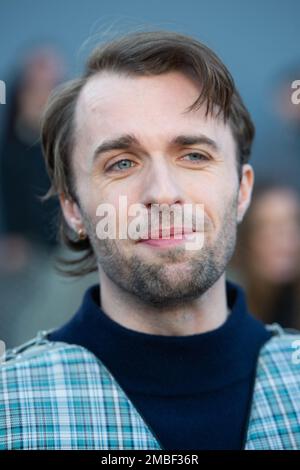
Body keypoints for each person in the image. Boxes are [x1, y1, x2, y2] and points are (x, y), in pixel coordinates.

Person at [1, 30, 300, 451]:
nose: (162, 192)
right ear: (73, 208)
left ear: (243, 190)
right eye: (121, 163)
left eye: (194, 155)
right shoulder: (10, 410)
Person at [231, 182, 300, 329]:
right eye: (267, 226)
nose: (284, 237)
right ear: (247, 240)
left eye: (293, 222)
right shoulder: (230, 307)